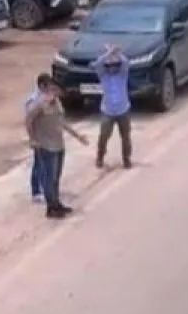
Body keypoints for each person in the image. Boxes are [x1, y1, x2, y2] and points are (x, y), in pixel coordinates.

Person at [24, 78, 89, 218]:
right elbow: (28, 120)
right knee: (49, 178)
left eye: (56, 90)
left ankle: (56, 203)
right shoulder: (39, 103)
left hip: (59, 144)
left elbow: (62, 122)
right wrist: (33, 139)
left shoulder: (57, 103)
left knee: (56, 178)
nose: (55, 92)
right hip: (46, 145)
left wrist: (78, 136)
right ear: (45, 89)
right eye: (53, 89)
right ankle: (51, 207)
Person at [91, 44, 133, 169]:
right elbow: (97, 64)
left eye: (115, 65)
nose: (112, 68)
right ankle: (100, 156)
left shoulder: (122, 75)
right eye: (110, 65)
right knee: (103, 136)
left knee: (126, 137)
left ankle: (126, 159)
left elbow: (126, 62)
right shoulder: (103, 76)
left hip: (123, 110)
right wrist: (108, 53)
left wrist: (117, 53)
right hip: (107, 111)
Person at [24, 73, 54, 202]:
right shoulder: (33, 100)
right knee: (38, 164)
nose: (50, 88)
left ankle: (45, 187)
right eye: (48, 86)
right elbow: (29, 121)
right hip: (38, 136)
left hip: (48, 137)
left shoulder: (47, 97)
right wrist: (32, 138)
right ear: (42, 85)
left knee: (46, 164)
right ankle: (36, 191)